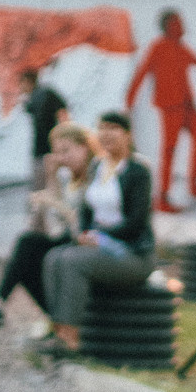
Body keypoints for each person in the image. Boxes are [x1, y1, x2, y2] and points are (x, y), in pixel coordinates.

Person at [32, 111, 154, 361]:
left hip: (132, 253)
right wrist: (85, 233)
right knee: (54, 257)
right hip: (99, 245)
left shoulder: (138, 170)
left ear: (128, 135)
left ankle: (71, 339)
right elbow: (87, 209)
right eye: (102, 128)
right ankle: (57, 329)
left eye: (114, 128)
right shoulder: (98, 167)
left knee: (74, 262)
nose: (107, 133)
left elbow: (136, 222)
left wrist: (101, 235)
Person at [0, 123, 97, 325]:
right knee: (26, 252)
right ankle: (51, 315)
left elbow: (80, 222)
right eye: (57, 153)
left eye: (66, 151)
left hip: (88, 241)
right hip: (71, 238)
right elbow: (55, 223)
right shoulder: (71, 179)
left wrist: (54, 203)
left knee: (28, 247)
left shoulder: (95, 176)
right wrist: (51, 177)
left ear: (85, 147)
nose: (61, 158)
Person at [125, 8, 196, 211]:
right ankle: (162, 198)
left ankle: (194, 184)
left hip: (187, 104)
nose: (182, 26)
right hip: (170, 106)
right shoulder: (158, 47)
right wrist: (129, 102)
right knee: (169, 149)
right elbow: (142, 72)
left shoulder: (180, 47)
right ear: (169, 26)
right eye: (178, 23)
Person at [20, 66, 70, 193]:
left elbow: (63, 112)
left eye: (21, 84)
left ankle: (45, 209)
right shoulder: (35, 97)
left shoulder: (44, 94)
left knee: (44, 184)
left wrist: (65, 135)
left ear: (27, 81)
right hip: (44, 147)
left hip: (46, 148)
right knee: (48, 183)